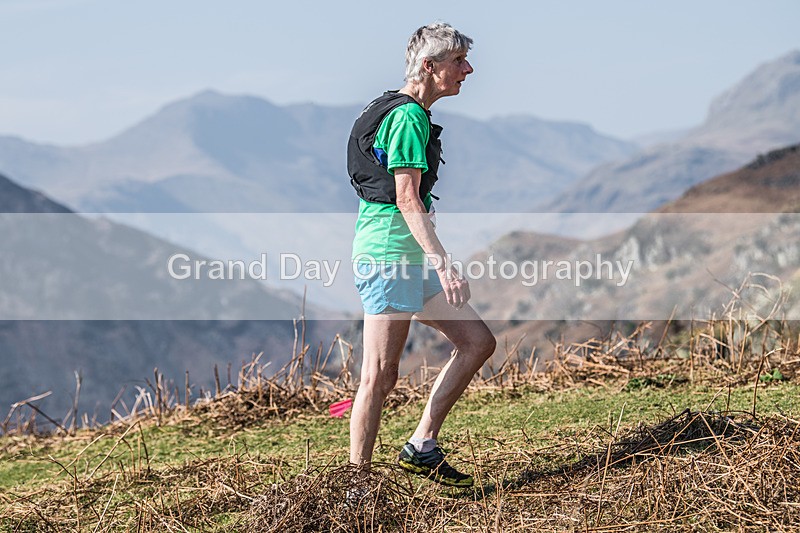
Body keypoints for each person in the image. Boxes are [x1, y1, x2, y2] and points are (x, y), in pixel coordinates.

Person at [347, 22, 496, 488]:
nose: (467, 69)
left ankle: (421, 445)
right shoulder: (408, 116)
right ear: (430, 67)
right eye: (458, 62)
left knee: (477, 342)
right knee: (380, 374)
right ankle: (357, 486)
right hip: (391, 255)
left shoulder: (389, 104)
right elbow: (407, 197)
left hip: (405, 254)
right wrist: (444, 263)